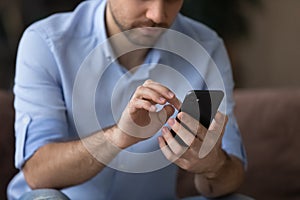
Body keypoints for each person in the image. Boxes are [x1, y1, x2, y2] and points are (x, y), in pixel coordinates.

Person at [8, 0, 248, 199]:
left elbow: (231, 175)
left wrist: (212, 165)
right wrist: (118, 137)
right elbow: (38, 174)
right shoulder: (47, 42)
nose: (157, 15)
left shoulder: (206, 49)